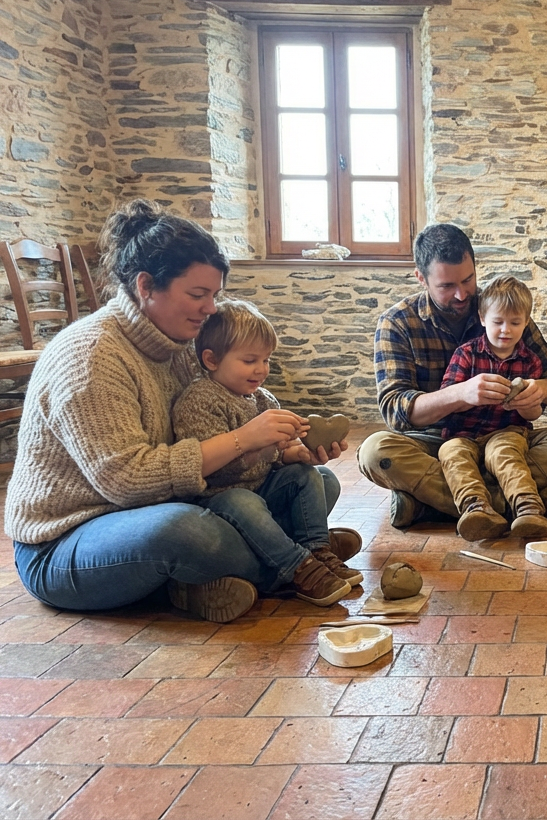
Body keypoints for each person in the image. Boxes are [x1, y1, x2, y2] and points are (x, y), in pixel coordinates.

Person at [4, 199, 358, 624]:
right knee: (188, 532)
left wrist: (284, 451)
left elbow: (224, 445)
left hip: (170, 503)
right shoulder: (90, 356)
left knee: (319, 481)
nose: (211, 308)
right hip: (70, 540)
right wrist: (245, 438)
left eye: (215, 295)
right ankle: (297, 558)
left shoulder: (181, 344)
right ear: (146, 286)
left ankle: (218, 578)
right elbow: (127, 481)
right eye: (198, 294)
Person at [358, 224, 547, 529]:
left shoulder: (499, 307)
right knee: (375, 453)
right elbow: (395, 410)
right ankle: (530, 502)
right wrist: (459, 394)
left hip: (506, 436)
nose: (462, 293)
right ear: (421, 278)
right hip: (436, 441)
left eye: (468, 279)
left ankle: (438, 504)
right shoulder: (397, 323)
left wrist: (542, 390)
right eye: (446, 285)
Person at [172, 299, 358, 606]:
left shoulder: (263, 398)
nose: (261, 369)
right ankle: (298, 567)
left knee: (316, 476)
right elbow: (212, 471)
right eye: (249, 360)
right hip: (220, 501)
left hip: (260, 491)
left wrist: (296, 455)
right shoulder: (200, 401)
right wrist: (259, 449)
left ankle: (317, 551)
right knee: (242, 500)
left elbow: (277, 454)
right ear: (211, 359)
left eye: (266, 360)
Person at [437, 276, 547, 541]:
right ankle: (476, 509)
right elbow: (447, 399)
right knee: (451, 453)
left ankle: (529, 509)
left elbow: (534, 415)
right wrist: (468, 394)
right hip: (462, 433)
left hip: (507, 430)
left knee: (504, 453)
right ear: (482, 318)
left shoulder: (530, 362)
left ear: (526, 322)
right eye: (498, 322)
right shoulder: (466, 353)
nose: (506, 330)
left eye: (515, 323)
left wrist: (527, 403)